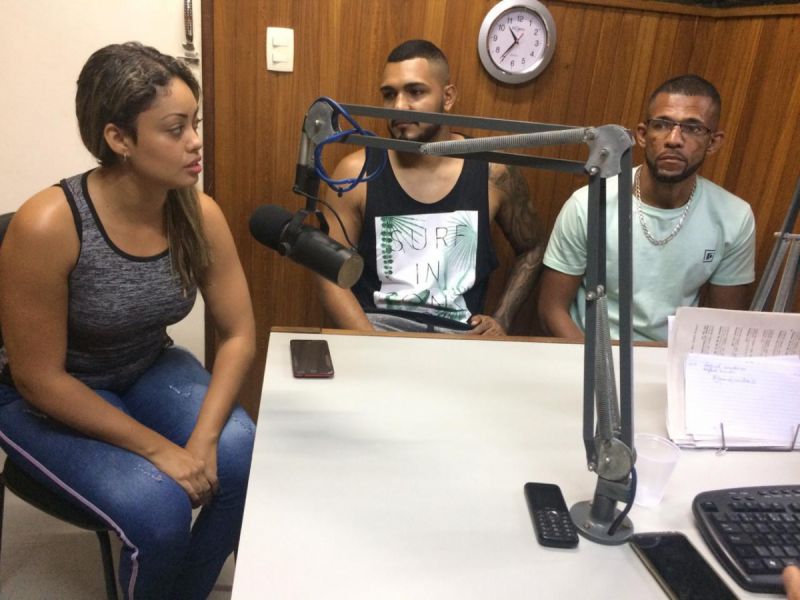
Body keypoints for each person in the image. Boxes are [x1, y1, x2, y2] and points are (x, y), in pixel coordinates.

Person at [0, 42, 256, 599]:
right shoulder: (48, 224)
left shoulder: (197, 212)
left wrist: (204, 440)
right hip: (42, 395)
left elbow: (239, 334)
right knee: (159, 509)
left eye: (195, 123)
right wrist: (162, 450)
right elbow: (38, 379)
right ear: (119, 139)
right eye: (175, 129)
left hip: (144, 366)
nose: (196, 141)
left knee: (243, 459)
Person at [317, 40, 544, 335]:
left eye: (415, 91)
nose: (399, 106)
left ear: (447, 97)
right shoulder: (355, 173)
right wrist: (372, 344)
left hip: (459, 338)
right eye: (389, 95)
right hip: (377, 330)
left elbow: (532, 248)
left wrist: (502, 319)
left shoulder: (493, 173)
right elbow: (328, 273)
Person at [538, 74, 755, 341]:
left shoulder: (734, 217)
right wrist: (598, 364)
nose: (674, 139)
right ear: (642, 135)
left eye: (693, 128)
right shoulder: (588, 204)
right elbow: (551, 310)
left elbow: (725, 325)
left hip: (669, 357)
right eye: (662, 125)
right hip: (593, 353)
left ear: (713, 142)